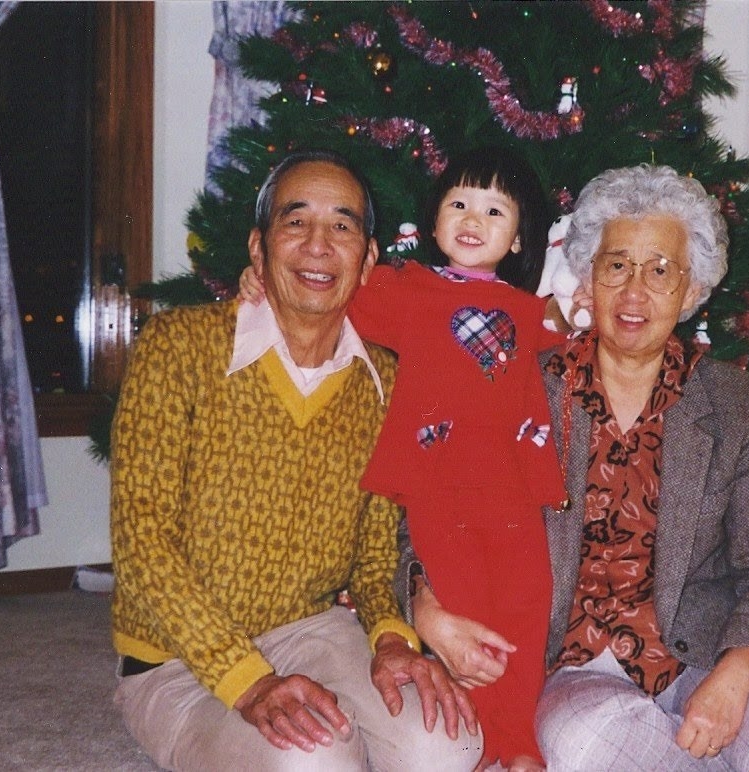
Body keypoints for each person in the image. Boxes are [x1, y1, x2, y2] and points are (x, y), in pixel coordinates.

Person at [405, 164, 749, 771]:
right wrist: (426, 600)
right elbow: (429, 509)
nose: (634, 293)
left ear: (691, 290)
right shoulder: (517, 384)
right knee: (589, 746)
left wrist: (735, 676)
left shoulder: (732, 404)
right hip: (575, 668)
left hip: (706, 653)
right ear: (588, 277)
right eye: (617, 265)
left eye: (661, 271)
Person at [110, 149, 482, 771]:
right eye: (295, 220)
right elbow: (141, 538)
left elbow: (372, 556)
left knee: (449, 744)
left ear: (367, 261)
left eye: (342, 225)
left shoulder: (383, 382)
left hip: (309, 630)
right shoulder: (177, 348)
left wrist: (391, 639)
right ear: (259, 249)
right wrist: (248, 681)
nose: (318, 243)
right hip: (174, 657)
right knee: (315, 759)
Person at [240, 146, 567, 771]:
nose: (473, 220)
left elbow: (587, 335)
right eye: (459, 205)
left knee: (527, 602)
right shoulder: (404, 287)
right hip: (437, 485)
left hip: (512, 489)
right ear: (436, 219)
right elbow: (325, 296)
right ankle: (481, 742)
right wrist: (258, 280)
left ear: (521, 236)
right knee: (461, 608)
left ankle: (516, 737)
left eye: (494, 211)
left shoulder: (531, 313)